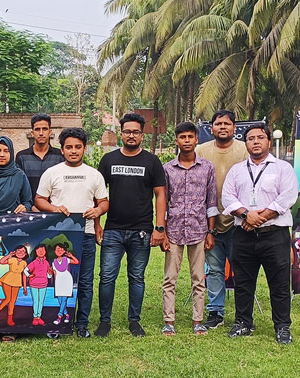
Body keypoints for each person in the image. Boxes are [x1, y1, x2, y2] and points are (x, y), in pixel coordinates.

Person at [222, 123, 298, 345]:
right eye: (250, 138)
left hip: (275, 235)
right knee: (243, 282)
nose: (255, 141)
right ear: (245, 143)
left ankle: (282, 327)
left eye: (260, 137)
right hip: (244, 236)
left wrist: (259, 218)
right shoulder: (237, 170)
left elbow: (287, 197)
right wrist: (247, 215)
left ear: (268, 141)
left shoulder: (282, 168)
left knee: (279, 283)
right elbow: (227, 197)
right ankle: (243, 322)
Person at [95, 113, 167, 338]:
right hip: (113, 230)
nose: (131, 135)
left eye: (136, 132)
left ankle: (134, 321)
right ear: (121, 133)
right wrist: (97, 224)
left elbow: (160, 195)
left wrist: (160, 228)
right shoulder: (108, 160)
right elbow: (97, 194)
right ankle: (104, 321)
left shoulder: (152, 161)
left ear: (142, 135)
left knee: (136, 278)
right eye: (127, 131)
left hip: (142, 231)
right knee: (107, 277)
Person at [34, 127, 109, 338]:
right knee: (58, 282)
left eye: (78, 147)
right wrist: (54, 208)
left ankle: (81, 323)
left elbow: (104, 202)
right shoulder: (52, 173)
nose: (73, 151)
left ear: (84, 148)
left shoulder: (94, 175)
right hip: (59, 236)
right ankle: (57, 323)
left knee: (85, 281)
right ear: (62, 149)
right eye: (69, 147)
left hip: (85, 235)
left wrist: (97, 211)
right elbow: (39, 200)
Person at [161, 122, 218, 337]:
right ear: (176, 140)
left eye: (190, 137)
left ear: (196, 139)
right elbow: (163, 203)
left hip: (199, 230)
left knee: (199, 278)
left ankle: (198, 321)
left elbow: (211, 202)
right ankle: (169, 321)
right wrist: (163, 232)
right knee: (170, 278)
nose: (186, 140)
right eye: (182, 137)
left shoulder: (207, 168)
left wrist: (210, 232)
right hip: (174, 231)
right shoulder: (167, 169)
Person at [194, 110, 249, 329]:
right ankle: (216, 312)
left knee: (241, 269)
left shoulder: (244, 150)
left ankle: (243, 315)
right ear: (212, 128)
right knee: (215, 269)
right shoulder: (201, 150)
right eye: (218, 124)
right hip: (210, 222)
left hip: (239, 221)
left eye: (227, 123)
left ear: (234, 128)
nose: (223, 127)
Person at [15, 113, 63, 201]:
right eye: (37, 129)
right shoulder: (22, 157)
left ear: (50, 132)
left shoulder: (59, 156)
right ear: (32, 133)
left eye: (44, 129)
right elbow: (19, 185)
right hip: (28, 207)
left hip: (54, 207)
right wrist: (28, 205)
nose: (41, 133)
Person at [0, 246, 28, 327]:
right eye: (18, 250)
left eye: (23, 251)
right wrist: (9, 255)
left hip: (17, 281)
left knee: (13, 300)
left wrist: (25, 288)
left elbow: (24, 275)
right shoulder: (12, 259)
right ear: (15, 252)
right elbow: (1, 261)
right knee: (8, 298)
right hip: (8, 280)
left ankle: (10, 317)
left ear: (25, 254)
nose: (20, 252)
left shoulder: (24, 263)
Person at [51, 243, 79, 325]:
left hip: (67, 281)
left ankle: (59, 317)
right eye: (57, 249)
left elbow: (76, 262)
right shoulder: (54, 262)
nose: (59, 251)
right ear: (54, 251)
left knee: (64, 300)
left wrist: (71, 256)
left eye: (61, 249)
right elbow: (55, 273)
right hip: (58, 282)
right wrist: (55, 284)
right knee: (60, 300)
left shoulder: (66, 259)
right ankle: (67, 315)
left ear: (64, 251)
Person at [24, 244, 51, 326]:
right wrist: (29, 275)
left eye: (42, 250)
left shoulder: (47, 263)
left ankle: (39, 317)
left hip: (44, 284)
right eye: (39, 250)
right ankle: (35, 317)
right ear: (36, 252)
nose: (41, 252)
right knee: (36, 301)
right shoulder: (34, 263)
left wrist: (50, 273)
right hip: (34, 284)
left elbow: (49, 276)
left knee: (41, 301)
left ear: (45, 251)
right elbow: (25, 270)